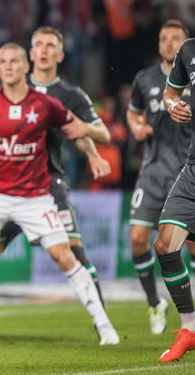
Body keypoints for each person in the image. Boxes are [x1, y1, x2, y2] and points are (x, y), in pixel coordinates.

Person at [0, 43, 119, 345]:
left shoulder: (46, 104)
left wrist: (93, 153)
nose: (8, 66)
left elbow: (77, 131)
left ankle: (104, 326)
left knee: (65, 256)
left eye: (14, 61)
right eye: (2, 61)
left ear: (25, 66)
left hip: (35, 197)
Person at [126, 20, 195, 335]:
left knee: (189, 248)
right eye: (164, 38)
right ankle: (156, 303)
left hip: (186, 167)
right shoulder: (144, 79)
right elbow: (132, 111)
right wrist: (136, 128)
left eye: (175, 38)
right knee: (139, 238)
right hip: (153, 171)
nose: (169, 43)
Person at [155, 36, 195, 362]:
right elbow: (170, 93)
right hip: (193, 170)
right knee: (165, 244)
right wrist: (173, 106)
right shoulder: (188, 50)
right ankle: (190, 328)